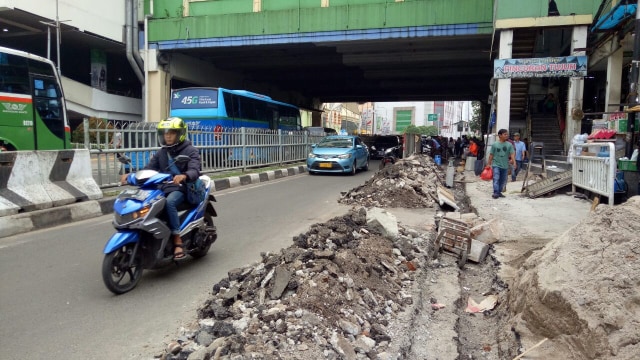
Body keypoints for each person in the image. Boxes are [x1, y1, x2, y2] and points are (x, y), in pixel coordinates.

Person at [120, 117, 201, 259]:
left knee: (169, 203)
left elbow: (195, 169)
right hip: (163, 187)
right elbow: (149, 169)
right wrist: (132, 175)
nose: (168, 136)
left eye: (171, 133)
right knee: (145, 202)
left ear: (180, 133)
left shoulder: (190, 151)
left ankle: (177, 240)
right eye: (165, 133)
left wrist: (184, 175)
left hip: (181, 188)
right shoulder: (162, 152)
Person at [486, 128, 515, 199]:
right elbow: (491, 155)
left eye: (507, 134)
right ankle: (496, 192)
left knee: (503, 180)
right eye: (505, 134)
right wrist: (489, 164)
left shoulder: (509, 145)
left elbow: (512, 154)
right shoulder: (495, 144)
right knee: (496, 178)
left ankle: (499, 192)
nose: (507, 135)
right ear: (500, 135)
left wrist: (514, 162)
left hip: (505, 165)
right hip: (496, 165)